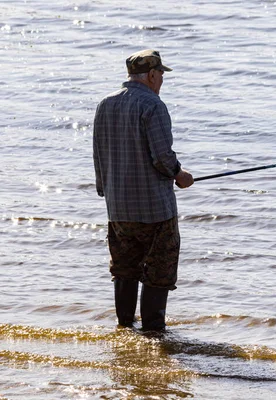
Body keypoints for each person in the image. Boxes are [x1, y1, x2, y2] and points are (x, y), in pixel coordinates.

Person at [93, 49, 194, 331]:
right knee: (158, 273)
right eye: (161, 74)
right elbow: (162, 157)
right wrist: (180, 175)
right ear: (151, 75)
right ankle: (153, 331)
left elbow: (98, 155)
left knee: (124, 270)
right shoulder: (153, 105)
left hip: (118, 208)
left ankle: (125, 327)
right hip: (155, 210)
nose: (161, 80)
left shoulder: (105, 104)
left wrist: (106, 190)